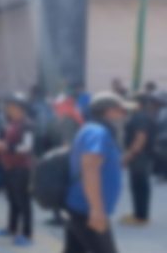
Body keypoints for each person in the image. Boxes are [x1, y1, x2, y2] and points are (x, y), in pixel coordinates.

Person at [63, 92, 133, 253]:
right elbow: (90, 168)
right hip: (87, 211)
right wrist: (96, 210)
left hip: (81, 208)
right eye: (120, 110)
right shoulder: (97, 132)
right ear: (108, 111)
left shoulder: (95, 130)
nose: (123, 115)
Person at [0, 97, 34, 246]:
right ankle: (11, 228)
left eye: (12, 108)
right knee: (12, 199)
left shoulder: (27, 125)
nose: (9, 110)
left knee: (23, 202)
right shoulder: (13, 124)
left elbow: (27, 146)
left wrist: (7, 148)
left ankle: (27, 234)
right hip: (10, 168)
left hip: (21, 169)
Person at [120, 94, 156, 226]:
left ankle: (141, 216)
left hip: (140, 156)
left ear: (138, 104)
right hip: (142, 156)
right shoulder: (143, 116)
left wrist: (127, 156)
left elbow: (140, 138)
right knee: (139, 186)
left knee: (139, 186)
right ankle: (139, 213)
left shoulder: (140, 117)